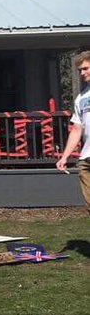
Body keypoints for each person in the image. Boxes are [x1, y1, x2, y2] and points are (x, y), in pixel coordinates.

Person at [56, 50, 90, 209]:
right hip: (86, 159)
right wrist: (65, 157)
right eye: (80, 70)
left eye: (85, 68)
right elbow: (77, 129)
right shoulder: (81, 98)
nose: (82, 73)